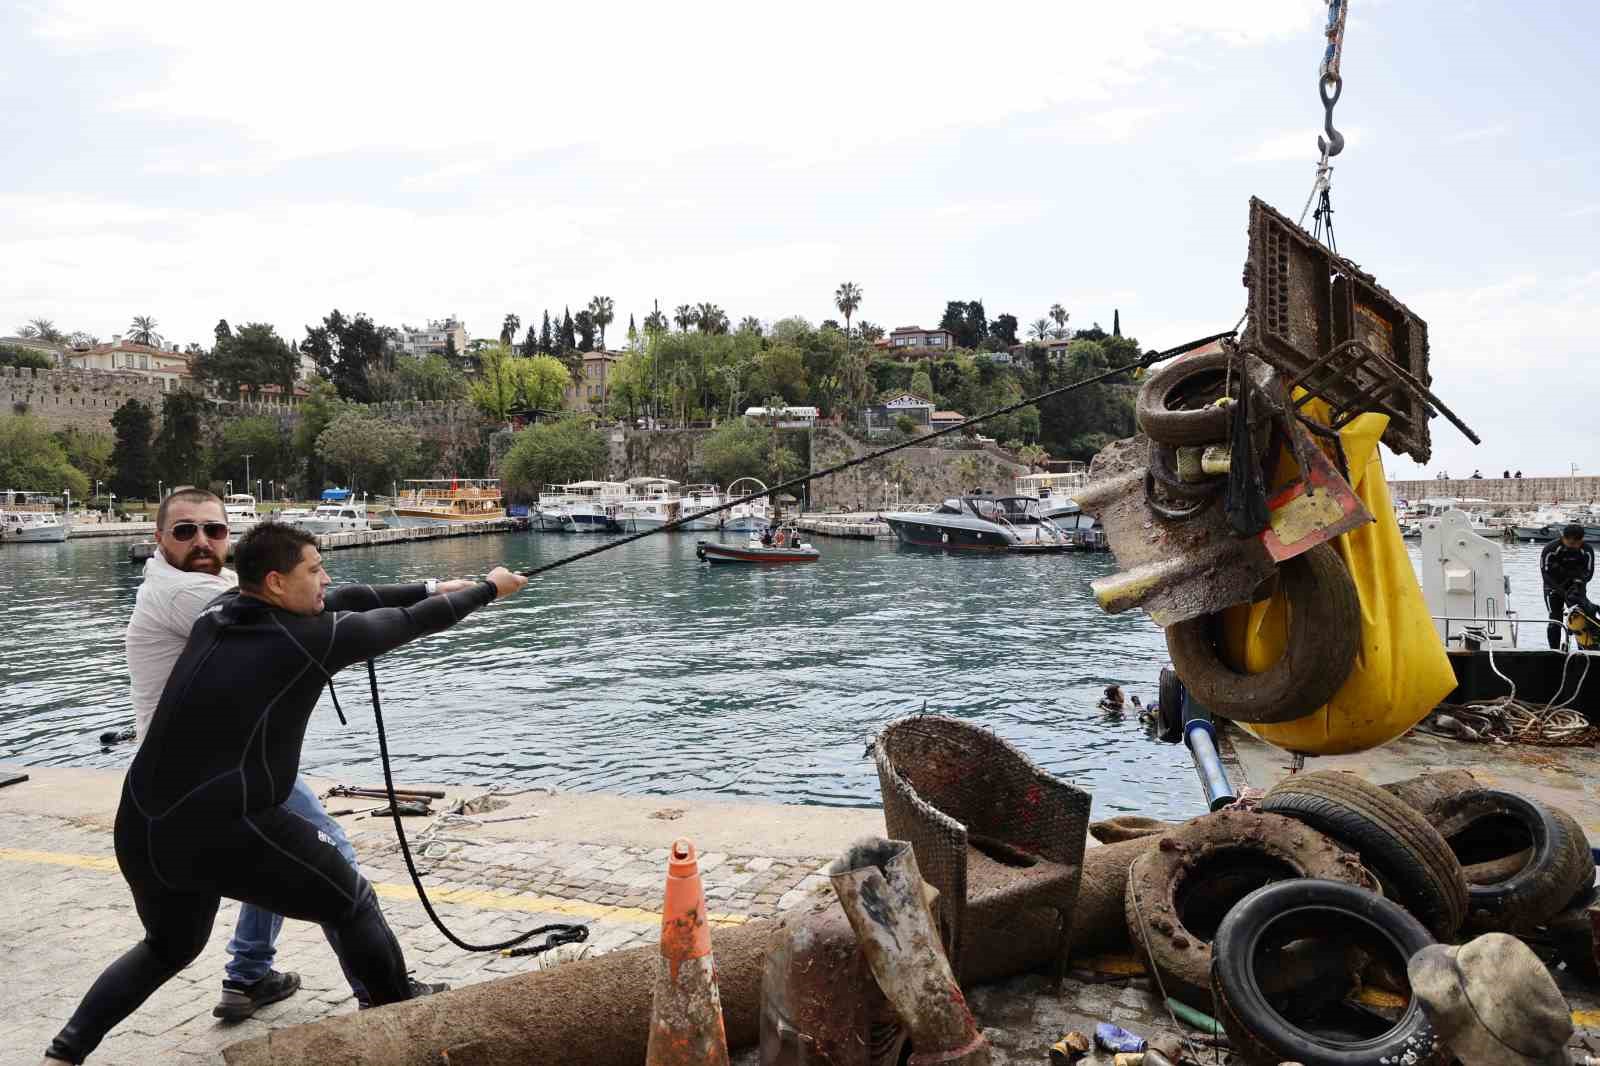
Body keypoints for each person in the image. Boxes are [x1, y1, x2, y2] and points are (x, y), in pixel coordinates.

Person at [42, 523, 526, 1063]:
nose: (324, 579)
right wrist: (488, 590)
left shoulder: (219, 611)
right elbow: (402, 625)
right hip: (226, 825)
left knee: (168, 946)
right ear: (275, 582)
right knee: (352, 903)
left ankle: (64, 1052)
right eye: (313, 570)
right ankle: (401, 1031)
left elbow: (346, 598)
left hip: (144, 823)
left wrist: (431, 585)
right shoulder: (309, 639)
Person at [124, 488, 444, 1021]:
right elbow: (312, 620)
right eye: (185, 531)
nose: (202, 541)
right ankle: (383, 995)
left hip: (234, 759)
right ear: (160, 539)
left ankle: (248, 975)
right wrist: (450, 599)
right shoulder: (186, 597)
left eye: (215, 530)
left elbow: (322, 602)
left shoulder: (217, 585)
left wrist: (429, 587)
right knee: (332, 859)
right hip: (208, 772)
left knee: (274, 862)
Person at [1541, 524, 1595, 649]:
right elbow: (1545, 574)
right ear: (1563, 538)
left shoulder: (1586, 550)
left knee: (1579, 618)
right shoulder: (1551, 549)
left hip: (1576, 586)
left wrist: (1578, 585)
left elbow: (1589, 573)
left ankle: (1583, 649)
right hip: (1553, 586)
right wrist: (1561, 591)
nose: (1571, 545)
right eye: (1568, 542)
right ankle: (1554, 650)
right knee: (1555, 619)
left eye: (1575, 543)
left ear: (1581, 540)